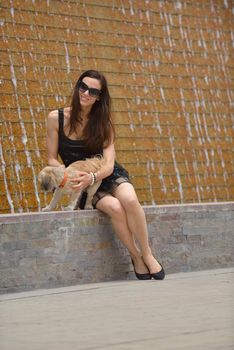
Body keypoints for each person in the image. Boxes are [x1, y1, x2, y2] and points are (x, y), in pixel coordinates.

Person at [46, 69, 165, 280]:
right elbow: (52, 159)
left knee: (129, 199)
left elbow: (109, 165)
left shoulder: (104, 122)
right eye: (83, 87)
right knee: (115, 208)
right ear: (77, 87)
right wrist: (68, 176)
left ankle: (147, 254)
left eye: (93, 91)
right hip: (79, 182)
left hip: (105, 173)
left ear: (99, 96)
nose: (86, 93)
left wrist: (93, 176)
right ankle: (135, 257)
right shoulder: (55, 118)